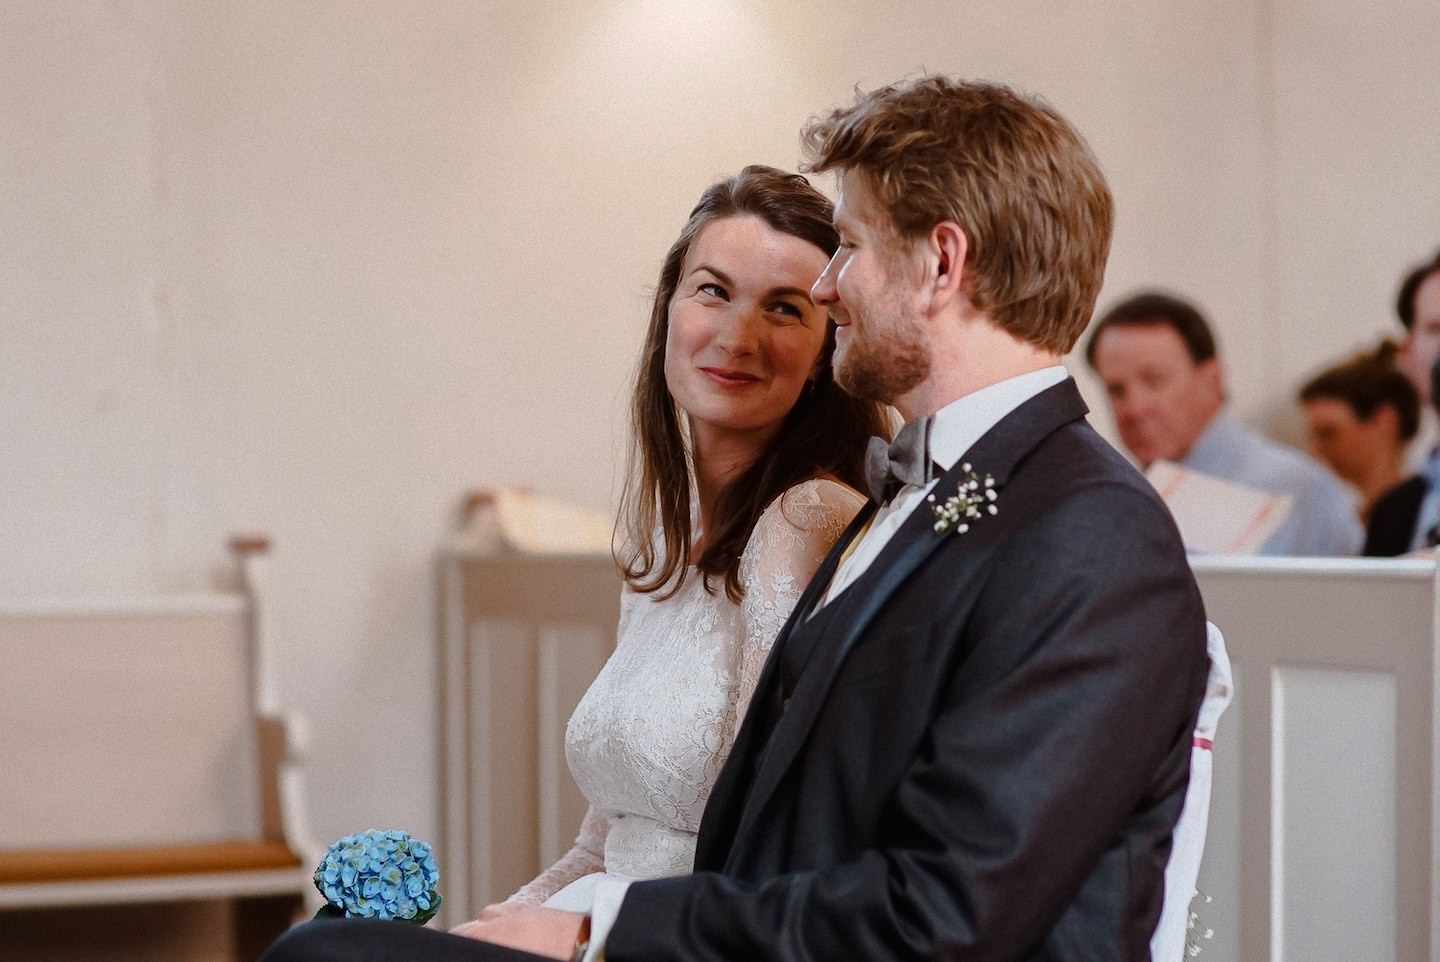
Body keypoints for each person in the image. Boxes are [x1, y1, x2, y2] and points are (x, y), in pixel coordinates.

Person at [262, 77, 1210, 962]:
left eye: (850, 248)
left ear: (941, 264)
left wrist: (601, 929)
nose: (832, 286)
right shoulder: (916, 503)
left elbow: (945, 916)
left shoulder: (1089, 536)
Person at [448, 165, 888, 920]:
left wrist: (583, 939)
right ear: (669, 311)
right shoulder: (668, 541)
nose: (736, 336)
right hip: (601, 921)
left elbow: (759, 836)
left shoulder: (807, 521)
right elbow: (600, 845)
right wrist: (491, 931)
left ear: (826, 353)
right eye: (712, 290)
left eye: (783, 309)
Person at [1086, 291, 1363, 556]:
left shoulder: (1293, 490)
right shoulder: (1118, 503)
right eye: (1116, 390)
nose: (1134, 408)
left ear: (1212, 379)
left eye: (1155, 381)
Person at [1297, 341, 1419, 522]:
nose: (1317, 449)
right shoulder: (1353, 520)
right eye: (1314, 436)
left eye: (1328, 433)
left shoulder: (1421, 517)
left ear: (1383, 421)